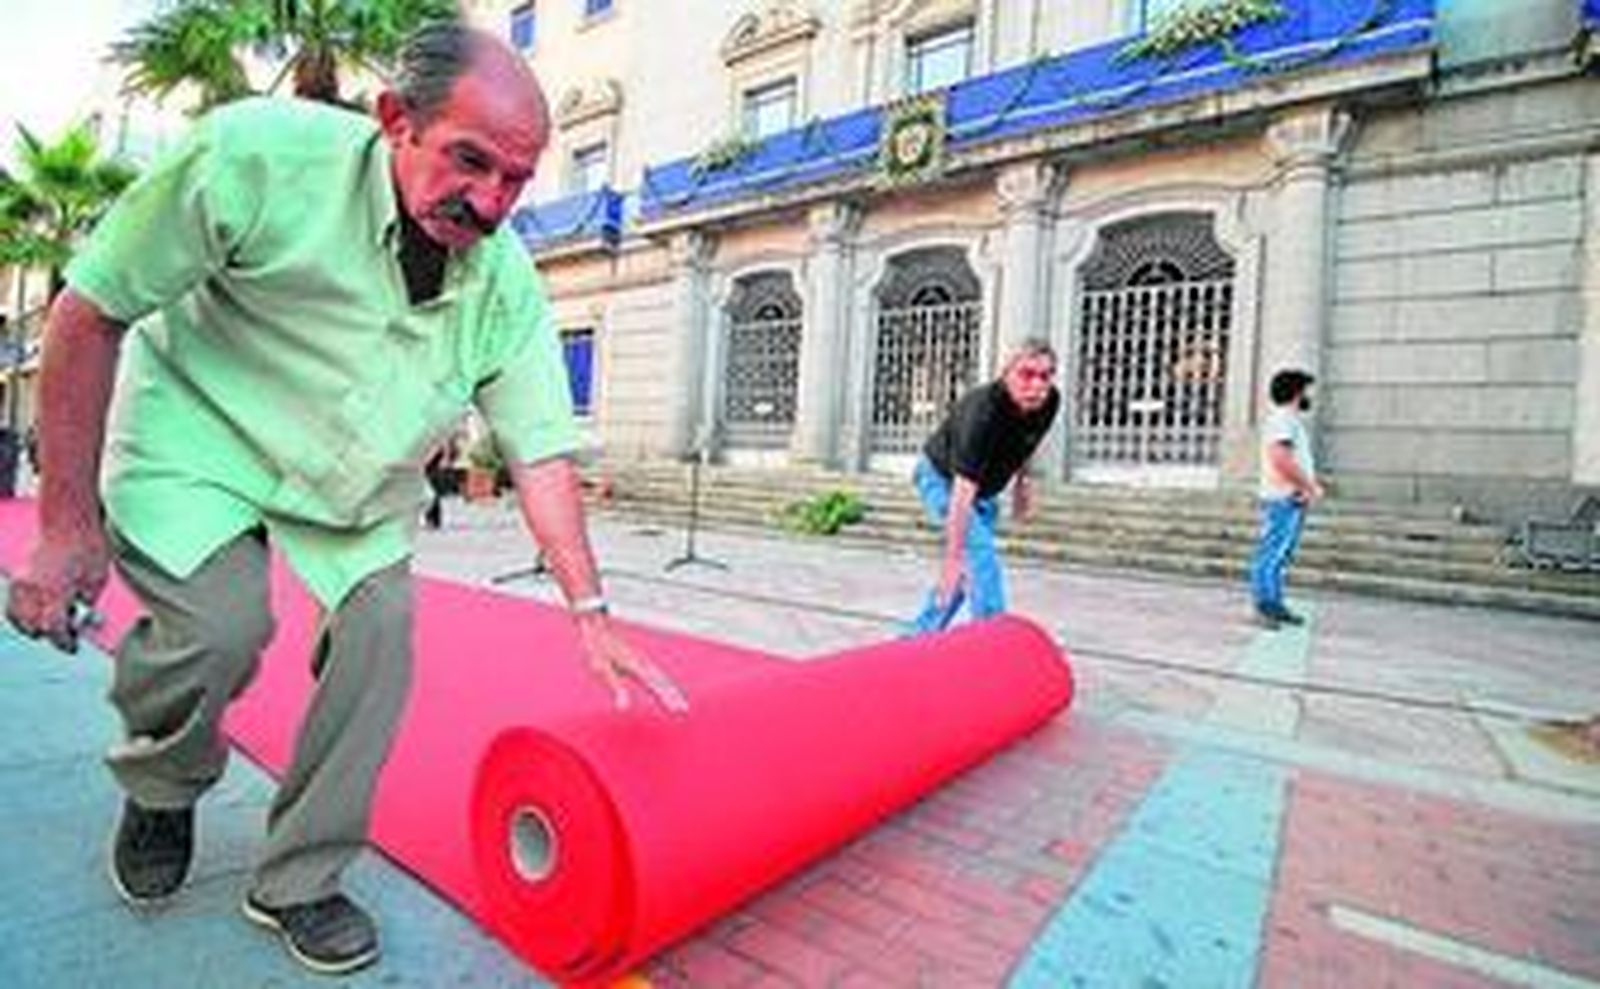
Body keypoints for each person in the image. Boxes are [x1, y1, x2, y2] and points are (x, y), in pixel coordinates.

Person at [3, 24, 683, 975]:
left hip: (353, 481)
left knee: (380, 636)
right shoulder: (252, 155)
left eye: (515, 181)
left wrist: (591, 608)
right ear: (395, 121)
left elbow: (540, 454)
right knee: (220, 627)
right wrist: (66, 527)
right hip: (200, 434)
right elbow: (92, 304)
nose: (489, 203)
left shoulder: (506, 283)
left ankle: (299, 879)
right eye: (469, 162)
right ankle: (163, 785)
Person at [906, 338, 1060, 634]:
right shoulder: (982, 412)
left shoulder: (1049, 401)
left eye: (1046, 375)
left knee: (966, 579)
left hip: (985, 489)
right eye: (1026, 374)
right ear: (1006, 374)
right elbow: (961, 495)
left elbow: (1026, 440)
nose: (1037, 385)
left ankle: (914, 640)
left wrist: (1022, 484)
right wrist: (952, 558)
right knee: (979, 557)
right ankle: (994, 642)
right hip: (942, 479)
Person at [1249, 368, 1325, 629]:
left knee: (1279, 555)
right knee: (1271, 554)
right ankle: (1264, 607)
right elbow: (1280, 458)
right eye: (1306, 390)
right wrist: (1309, 486)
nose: (1308, 396)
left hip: (1290, 497)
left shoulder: (1288, 420)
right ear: (1296, 392)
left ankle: (1275, 604)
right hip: (1283, 498)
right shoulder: (1283, 420)